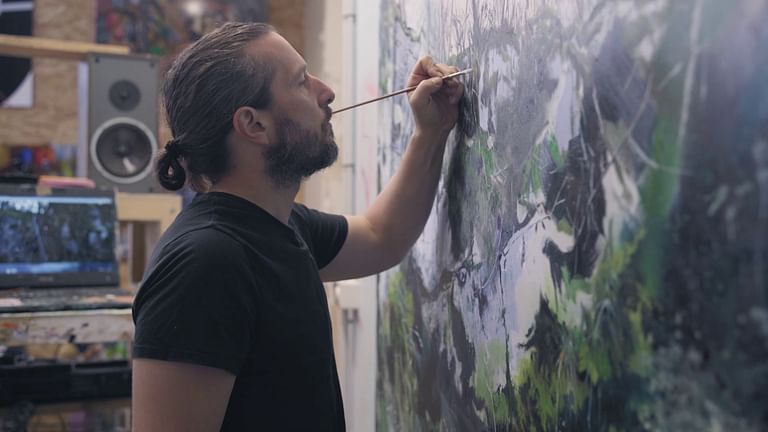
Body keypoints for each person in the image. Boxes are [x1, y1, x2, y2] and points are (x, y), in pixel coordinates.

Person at [131, 22, 464, 432]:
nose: (327, 92)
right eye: (301, 81)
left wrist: (431, 132)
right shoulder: (204, 263)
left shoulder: (282, 224)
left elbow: (382, 237)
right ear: (254, 125)